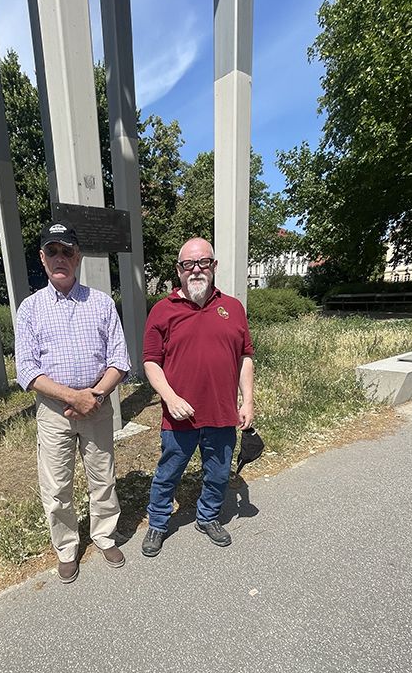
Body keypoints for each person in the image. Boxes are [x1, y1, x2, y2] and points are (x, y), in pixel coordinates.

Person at [14, 221, 130, 582]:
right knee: (57, 485)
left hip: (97, 406)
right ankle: (66, 548)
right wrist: (72, 397)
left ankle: (104, 535)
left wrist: (93, 396)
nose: (60, 258)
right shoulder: (30, 309)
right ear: (42, 258)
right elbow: (27, 370)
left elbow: (120, 361)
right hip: (54, 412)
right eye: (53, 251)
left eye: (67, 250)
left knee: (103, 477)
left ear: (78, 257)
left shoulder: (101, 303)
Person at [141, 237, 254, 557]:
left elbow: (245, 357)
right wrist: (170, 398)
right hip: (179, 416)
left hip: (221, 411)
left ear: (214, 266)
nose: (196, 270)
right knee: (168, 472)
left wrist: (247, 401)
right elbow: (150, 361)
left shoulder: (232, 308)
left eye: (203, 263)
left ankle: (208, 517)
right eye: (188, 265)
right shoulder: (162, 311)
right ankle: (159, 522)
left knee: (218, 472)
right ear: (179, 270)